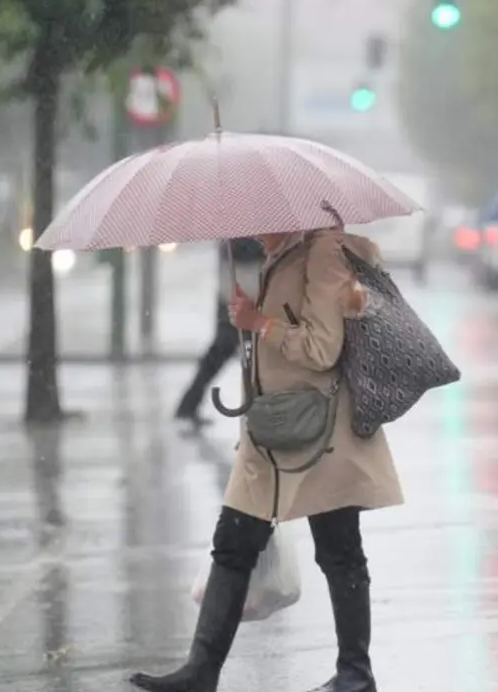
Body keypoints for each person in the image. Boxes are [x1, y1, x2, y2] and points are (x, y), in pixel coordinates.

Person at [131, 228, 401, 692]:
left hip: (321, 432)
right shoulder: (277, 254)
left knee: (339, 552)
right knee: (233, 544)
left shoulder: (321, 253)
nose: (252, 227)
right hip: (272, 432)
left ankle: (356, 675)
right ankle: (201, 671)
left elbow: (323, 348)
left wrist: (261, 323)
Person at [174, 238, 267, 428]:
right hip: (240, 300)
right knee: (229, 355)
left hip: (236, 298)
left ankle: (188, 406)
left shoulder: (233, 234)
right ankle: (188, 406)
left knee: (224, 357)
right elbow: (246, 254)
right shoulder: (243, 235)